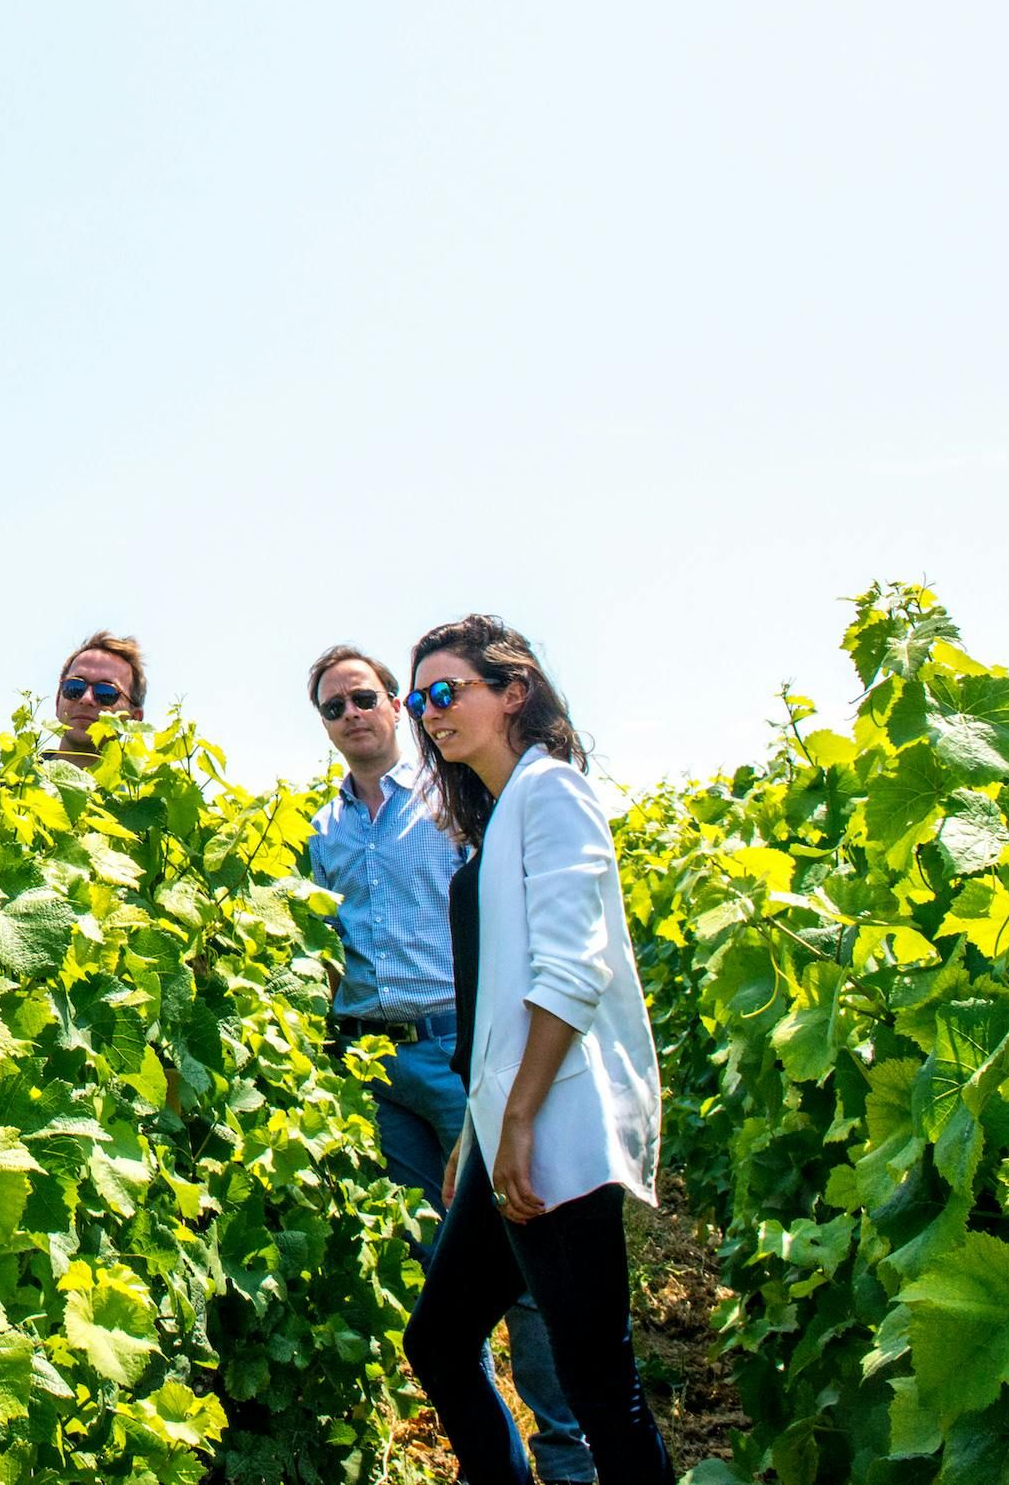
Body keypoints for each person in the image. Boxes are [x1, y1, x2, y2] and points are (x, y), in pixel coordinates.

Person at [303, 646, 591, 1485]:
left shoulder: (456, 802)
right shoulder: (322, 831)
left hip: (459, 1049)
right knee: (439, 1271)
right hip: (372, 1067)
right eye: (333, 707)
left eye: (365, 696)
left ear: (397, 705)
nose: (352, 713)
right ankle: (490, 1465)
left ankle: (567, 1459)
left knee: (527, 1260)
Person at [401, 617, 671, 1485]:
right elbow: (494, 1009)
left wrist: (515, 1123)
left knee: (600, 1381)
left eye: (447, 691)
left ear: (513, 690)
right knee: (439, 1344)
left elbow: (572, 971)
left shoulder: (551, 792)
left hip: (550, 1131)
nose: (430, 713)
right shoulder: (504, 812)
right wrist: (478, 1137)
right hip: (509, 1133)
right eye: (420, 699)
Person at [53, 630, 147, 756]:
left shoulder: (160, 776)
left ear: (134, 719)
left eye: (105, 692)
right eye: (74, 687)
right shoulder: (21, 771)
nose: (86, 699)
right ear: (58, 701)